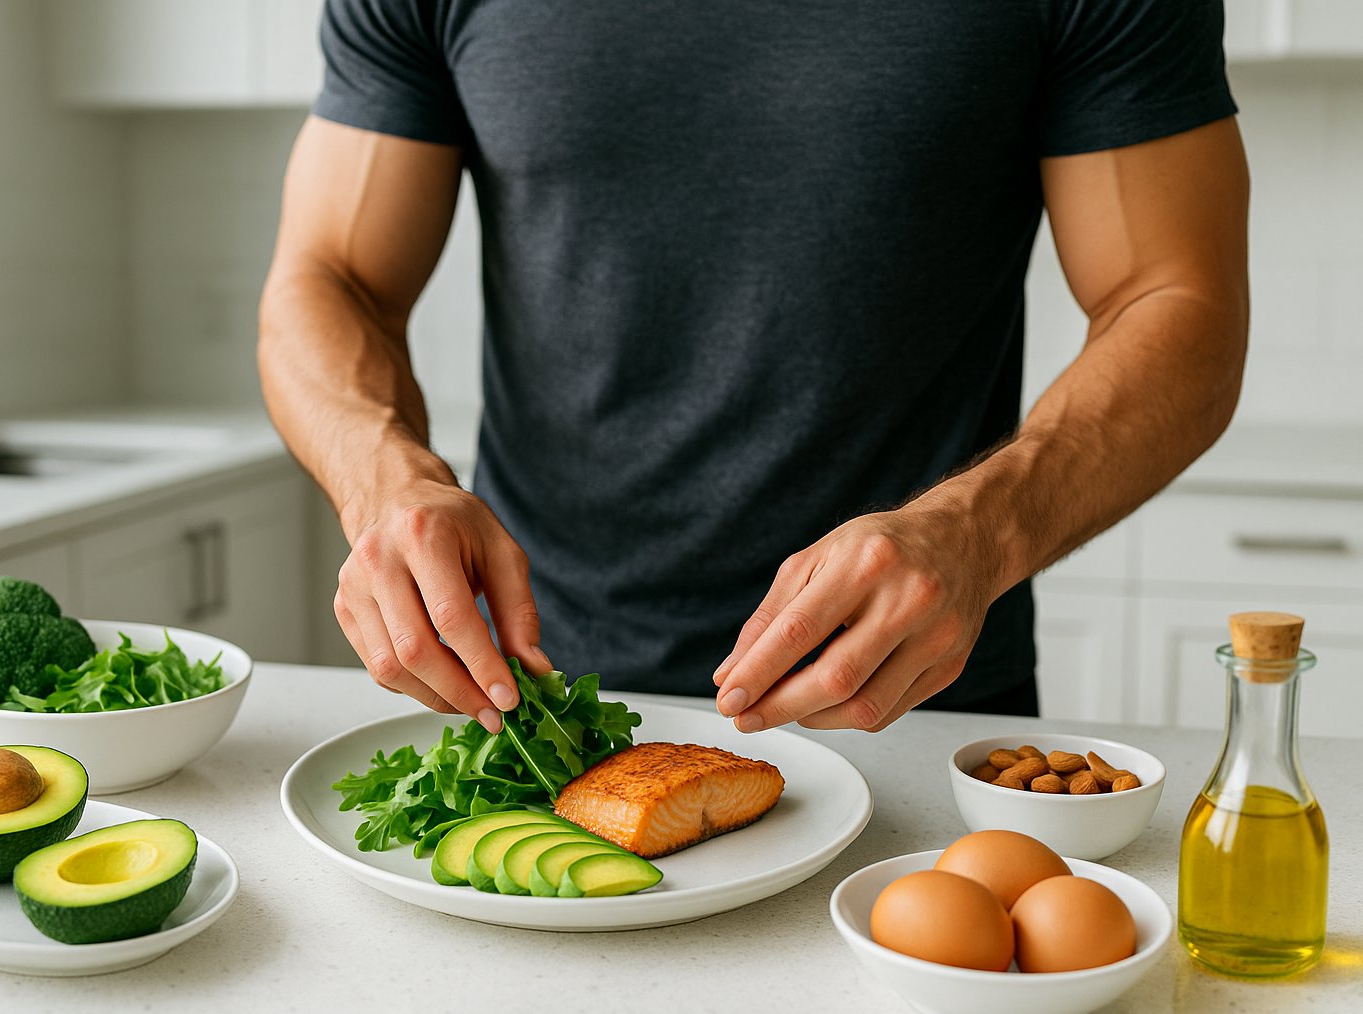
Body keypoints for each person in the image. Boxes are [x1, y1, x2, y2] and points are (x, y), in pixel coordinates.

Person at [258, 0, 1249, 737]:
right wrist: (384, 482)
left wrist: (978, 531)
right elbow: (329, 275)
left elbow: (1175, 301)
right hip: (533, 700)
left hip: (906, 694)